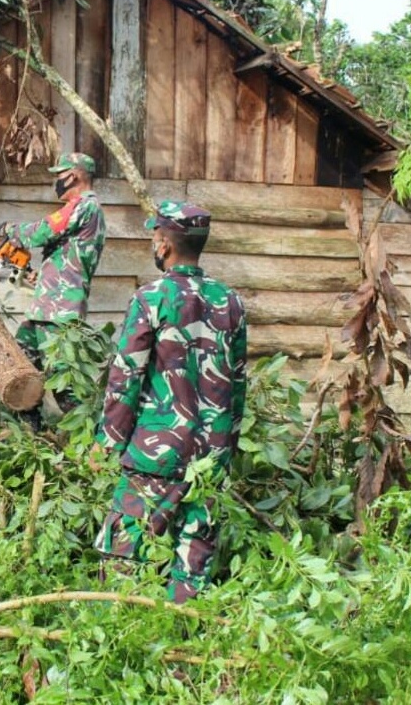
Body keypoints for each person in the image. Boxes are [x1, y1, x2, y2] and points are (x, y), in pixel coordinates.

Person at [92, 200, 247, 604]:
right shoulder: (231, 302)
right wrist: (227, 447)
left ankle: (119, 628)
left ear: (164, 244)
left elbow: (126, 375)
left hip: (155, 453)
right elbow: (238, 382)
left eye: (154, 236)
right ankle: (183, 632)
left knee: (124, 551)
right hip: (210, 457)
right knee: (193, 563)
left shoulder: (151, 298)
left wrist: (107, 440)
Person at [0, 152, 106, 411]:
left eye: (60, 175)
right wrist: (41, 276)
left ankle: (89, 432)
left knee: (64, 386)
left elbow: (44, 231)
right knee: (19, 370)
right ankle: (30, 431)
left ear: (75, 176)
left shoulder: (85, 205)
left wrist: (10, 230)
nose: (56, 181)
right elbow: (67, 258)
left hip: (60, 313)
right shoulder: (84, 210)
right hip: (46, 307)